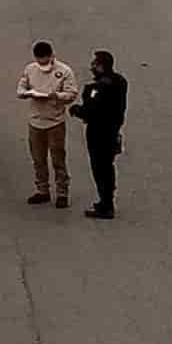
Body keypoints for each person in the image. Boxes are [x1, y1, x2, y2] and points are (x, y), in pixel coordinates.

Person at [16, 40, 78, 208]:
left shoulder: (64, 71)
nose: (42, 64)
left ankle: (62, 192)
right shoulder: (30, 69)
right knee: (38, 159)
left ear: (52, 56)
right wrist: (28, 93)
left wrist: (56, 96)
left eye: (45, 61)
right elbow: (20, 89)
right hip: (35, 122)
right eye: (39, 61)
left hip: (55, 123)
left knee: (58, 159)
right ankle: (42, 190)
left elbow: (72, 93)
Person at [71, 49, 128, 219]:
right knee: (107, 166)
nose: (92, 67)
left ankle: (106, 205)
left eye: (95, 64)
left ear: (102, 66)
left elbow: (91, 111)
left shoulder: (98, 88)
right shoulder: (120, 81)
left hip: (99, 133)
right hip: (113, 130)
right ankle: (106, 200)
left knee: (100, 168)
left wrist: (76, 110)